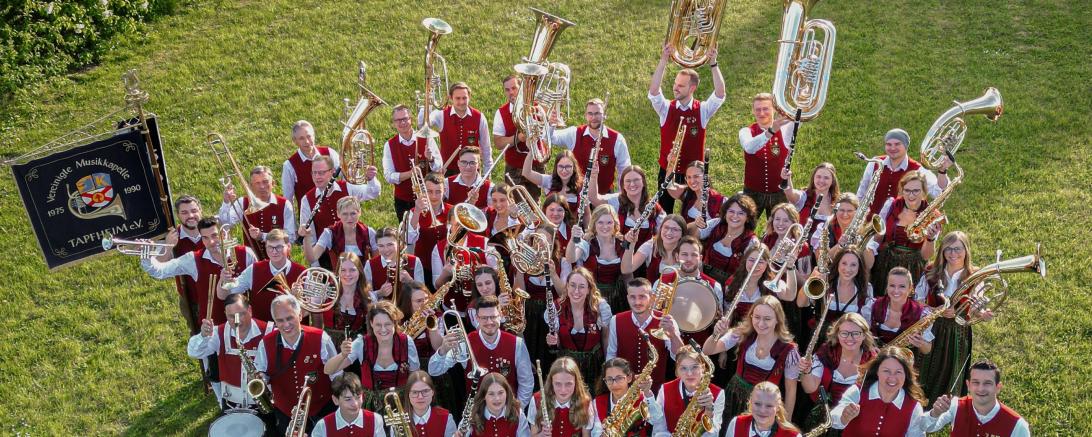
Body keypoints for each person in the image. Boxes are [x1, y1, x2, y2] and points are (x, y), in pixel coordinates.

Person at [648, 43, 726, 213]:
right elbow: (654, 91)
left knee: (696, 211)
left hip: (694, 174)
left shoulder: (702, 109)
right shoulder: (666, 108)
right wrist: (663, 60)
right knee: (664, 210)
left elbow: (720, 94)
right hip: (667, 169)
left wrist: (713, 63)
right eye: (675, 84)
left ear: (692, 88)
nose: (675, 88)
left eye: (681, 85)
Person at [916, 231, 989, 405]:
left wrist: (982, 313)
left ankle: (946, 404)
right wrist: (936, 310)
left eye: (958, 249)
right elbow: (917, 301)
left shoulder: (975, 275)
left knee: (952, 366)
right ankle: (921, 399)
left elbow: (977, 302)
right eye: (948, 249)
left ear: (966, 250)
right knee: (927, 362)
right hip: (932, 327)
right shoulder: (931, 271)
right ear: (942, 251)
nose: (953, 253)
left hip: (958, 330)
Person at [141, 217, 257, 325]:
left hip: (245, 322)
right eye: (205, 238)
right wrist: (146, 256)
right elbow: (159, 271)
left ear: (224, 234)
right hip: (213, 327)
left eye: (215, 235)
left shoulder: (246, 254)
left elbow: (257, 285)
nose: (211, 242)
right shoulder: (193, 259)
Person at [702, 296, 800, 421]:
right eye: (757, 317)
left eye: (767, 319)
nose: (761, 323)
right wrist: (716, 333)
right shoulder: (741, 333)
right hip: (734, 397)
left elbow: (791, 389)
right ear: (751, 316)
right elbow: (708, 350)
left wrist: (787, 421)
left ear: (777, 320)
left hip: (764, 404)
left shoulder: (789, 350)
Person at [254, 294, 339, 435]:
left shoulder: (321, 338)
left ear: (300, 316)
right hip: (285, 413)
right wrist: (261, 378)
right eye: (280, 321)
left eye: (290, 318)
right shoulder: (265, 343)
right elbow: (261, 371)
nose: (286, 325)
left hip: (321, 409)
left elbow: (336, 374)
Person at [429, 295, 534, 407]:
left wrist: (518, 408)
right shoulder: (465, 342)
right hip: (476, 412)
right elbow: (434, 370)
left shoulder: (517, 343)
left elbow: (526, 382)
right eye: (484, 318)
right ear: (477, 318)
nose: (489, 322)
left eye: (493, 317)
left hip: (508, 410)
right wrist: (443, 350)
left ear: (501, 315)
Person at [186, 293, 276, 410]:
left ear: (250, 310)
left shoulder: (270, 331)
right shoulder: (219, 332)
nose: (237, 321)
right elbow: (194, 352)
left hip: (264, 403)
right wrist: (203, 336)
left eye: (241, 314)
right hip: (231, 404)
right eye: (231, 316)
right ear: (225, 315)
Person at [325, 301, 419, 412]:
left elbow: (414, 375)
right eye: (378, 325)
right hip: (370, 407)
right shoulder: (361, 343)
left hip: (400, 405)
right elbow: (328, 370)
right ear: (371, 323)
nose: (383, 329)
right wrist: (342, 355)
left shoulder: (406, 342)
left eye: (388, 324)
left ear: (394, 323)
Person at [797, 313, 879, 435]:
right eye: (844, 333)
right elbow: (810, 388)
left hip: (856, 420)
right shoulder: (826, 353)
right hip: (823, 419)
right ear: (837, 335)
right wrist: (807, 370)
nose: (850, 338)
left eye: (856, 333)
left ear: (863, 336)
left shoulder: (873, 361)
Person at [866, 171, 940, 294]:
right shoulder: (891, 205)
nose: (911, 195)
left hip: (913, 267)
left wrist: (930, 238)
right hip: (885, 262)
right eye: (907, 190)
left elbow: (926, 256)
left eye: (916, 191)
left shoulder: (932, 215)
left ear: (924, 192)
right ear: (902, 190)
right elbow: (878, 236)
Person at [830, 346, 930, 436]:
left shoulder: (913, 406)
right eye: (886, 371)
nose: (892, 377)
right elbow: (834, 418)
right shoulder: (858, 391)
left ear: (906, 375)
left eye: (898, 372)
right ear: (877, 371)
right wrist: (844, 416)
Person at [298, 155, 380, 255]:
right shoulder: (307, 199)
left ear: (332, 172)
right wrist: (316, 265)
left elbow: (372, 193)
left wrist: (371, 179)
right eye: (314, 173)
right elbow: (311, 238)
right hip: (326, 255)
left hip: (356, 252)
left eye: (321, 172)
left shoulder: (347, 187)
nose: (317, 177)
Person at [856, 128, 949, 216]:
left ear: (906, 146)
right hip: (870, 223)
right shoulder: (875, 163)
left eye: (897, 144)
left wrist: (942, 171)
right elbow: (862, 192)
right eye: (889, 144)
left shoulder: (918, 170)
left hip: (899, 228)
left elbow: (938, 193)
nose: (892, 148)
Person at [221, 228, 306, 323]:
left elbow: (309, 312)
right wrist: (223, 280)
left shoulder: (303, 273)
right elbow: (224, 295)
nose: (274, 252)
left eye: (279, 247)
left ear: (288, 247)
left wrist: (296, 299)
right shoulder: (254, 269)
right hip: (262, 332)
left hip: (293, 332)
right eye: (270, 247)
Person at [651, 236, 724, 346]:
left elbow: (717, 323)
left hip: (698, 346)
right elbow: (653, 315)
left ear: (700, 258)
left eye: (694, 255)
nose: (689, 259)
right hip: (666, 344)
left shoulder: (715, 287)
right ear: (677, 256)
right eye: (684, 254)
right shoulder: (661, 282)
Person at [547, 268, 612, 391]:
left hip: (595, 365)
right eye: (572, 285)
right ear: (567, 287)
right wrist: (553, 341)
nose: (576, 291)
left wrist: (608, 365)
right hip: (567, 367)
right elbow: (558, 345)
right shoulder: (556, 308)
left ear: (589, 289)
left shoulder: (600, 307)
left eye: (582, 286)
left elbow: (605, 338)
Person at [925, 360, 1030, 436]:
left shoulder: (1017, 425)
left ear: (998, 387)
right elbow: (927, 428)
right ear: (968, 385)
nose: (981, 388)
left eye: (987, 383)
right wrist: (935, 413)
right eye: (976, 382)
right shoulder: (956, 405)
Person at [548, 98, 632, 193]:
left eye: (597, 113)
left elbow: (624, 169)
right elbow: (551, 138)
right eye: (590, 113)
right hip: (576, 195)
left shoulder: (617, 139)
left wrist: (621, 196)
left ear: (604, 115)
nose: (593, 117)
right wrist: (551, 124)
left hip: (603, 196)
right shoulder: (575, 133)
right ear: (585, 115)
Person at [605, 279, 671, 392]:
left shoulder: (665, 320)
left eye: (642, 297)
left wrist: (673, 334)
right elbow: (611, 355)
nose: (637, 302)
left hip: (656, 391)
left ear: (652, 297)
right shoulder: (616, 320)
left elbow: (677, 356)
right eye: (632, 297)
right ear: (627, 298)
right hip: (624, 390)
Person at [218, 165, 297, 257]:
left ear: (273, 183)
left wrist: (262, 236)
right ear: (250, 186)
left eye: (265, 182)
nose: (262, 186)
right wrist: (226, 203)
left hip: (280, 260)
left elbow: (291, 238)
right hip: (252, 261)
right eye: (257, 183)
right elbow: (225, 225)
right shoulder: (242, 202)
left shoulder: (285, 204)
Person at [739, 93, 795, 220]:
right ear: (753, 111)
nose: (762, 113)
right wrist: (771, 131)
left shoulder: (785, 130)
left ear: (774, 109)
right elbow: (749, 147)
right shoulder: (746, 131)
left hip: (780, 191)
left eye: (766, 109)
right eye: (758, 109)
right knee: (745, 226)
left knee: (780, 229)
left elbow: (799, 117)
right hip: (752, 191)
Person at [382, 104, 443, 220]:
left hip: (429, 198)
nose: (402, 123)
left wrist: (431, 159)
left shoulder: (426, 138)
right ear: (394, 123)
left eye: (405, 119)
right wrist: (410, 173)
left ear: (411, 119)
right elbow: (388, 176)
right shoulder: (389, 145)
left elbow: (439, 165)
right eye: (398, 120)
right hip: (403, 201)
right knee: (406, 235)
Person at [158, 195, 207, 334]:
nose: (191, 216)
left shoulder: (211, 231)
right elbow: (160, 267)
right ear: (178, 215)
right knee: (199, 337)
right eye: (184, 213)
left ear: (200, 210)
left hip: (218, 293)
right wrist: (168, 246)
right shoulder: (173, 236)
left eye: (194, 210)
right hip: (191, 299)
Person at [421, 82, 492, 176]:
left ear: (469, 97)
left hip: (472, 171)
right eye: (458, 98)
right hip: (447, 171)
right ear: (451, 98)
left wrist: (487, 174)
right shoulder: (441, 114)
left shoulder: (479, 117)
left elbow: (486, 148)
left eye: (464, 98)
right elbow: (423, 123)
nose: (462, 102)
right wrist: (428, 103)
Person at [567, 204, 626, 312]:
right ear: (594, 224)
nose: (605, 226)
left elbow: (628, 274)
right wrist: (572, 239)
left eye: (609, 222)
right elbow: (571, 258)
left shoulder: (621, 244)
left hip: (618, 296)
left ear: (615, 224)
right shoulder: (587, 244)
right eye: (600, 222)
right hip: (593, 297)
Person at [589, 165, 663, 252]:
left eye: (636, 180)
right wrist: (593, 176)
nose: (632, 184)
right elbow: (594, 198)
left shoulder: (654, 207)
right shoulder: (617, 200)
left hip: (646, 258)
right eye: (628, 181)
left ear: (643, 182)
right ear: (623, 185)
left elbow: (664, 231)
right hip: (620, 255)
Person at [657, 344, 725, 437]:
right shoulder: (665, 390)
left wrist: (709, 409)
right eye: (683, 368)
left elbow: (714, 434)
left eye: (695, 367)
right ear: (677, 371)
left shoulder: (718, 393)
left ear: (703, 368)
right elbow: (658, 430)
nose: (689, 373)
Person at [493, 74, 544, 199]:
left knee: (534, 203)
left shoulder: (537, 107)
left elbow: (548, 134)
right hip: (514, 168)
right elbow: (498, 143)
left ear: (522, 88)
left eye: (514, 88)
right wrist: (517, 138)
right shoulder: (501, 113)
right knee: (516, 206)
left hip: (535, 165)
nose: (511, 92)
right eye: (507, 90)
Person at [692, 194, 761, 284]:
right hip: (703, 279)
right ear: (725, 213)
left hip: (729, 287)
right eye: (731, 211)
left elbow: (753, 272)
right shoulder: (716, 224)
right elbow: (692, 236)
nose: (735, 216)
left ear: (747, 218)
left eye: (741, 213)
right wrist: (695, 224)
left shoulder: (751, 242)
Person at [864, 267, 935, 356]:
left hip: (903, 363)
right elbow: (863, 334)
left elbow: (927, 350)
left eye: (902, 286)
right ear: (887, 287)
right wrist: (870, 346)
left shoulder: (921, 313)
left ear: (910, 288)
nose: (896, 290)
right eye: (892, 285)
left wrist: (921, 343)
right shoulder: (872, 306)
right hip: (875, 360)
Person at [803, 250, 873, 336]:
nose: (848, 269)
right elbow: (801, 303)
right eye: (844, 263)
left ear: (859, 267)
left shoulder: (866, 288)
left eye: (853, 265)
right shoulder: (826, 281)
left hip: (847, 340)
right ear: (838, 264)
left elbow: (866, 324)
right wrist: (812, 277)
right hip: (821, 338)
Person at [591, 358, 667, 436]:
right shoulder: (597, 402)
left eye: (619, 378)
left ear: (629, 377)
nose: (614, 384)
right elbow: (596, 432)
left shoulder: (642, 398)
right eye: (609, 379)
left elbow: (656, 419)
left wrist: (647, 393)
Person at [527, 356, 600, 437]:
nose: (563, 390)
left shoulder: (585, 403)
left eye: (568, 384)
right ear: (551, 382)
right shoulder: (537, 400)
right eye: (558, 384)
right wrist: (542, 435)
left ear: (576, 382)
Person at [302, 196, 378, 269]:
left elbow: (376, 262)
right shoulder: (329, 233)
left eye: (353, 213)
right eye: (345, 214)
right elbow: (312, 258)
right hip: (339, 279)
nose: (349, 218)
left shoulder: (369, 232)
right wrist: (306, 237)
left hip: (364, 279)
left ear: (359, 213)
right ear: (338, 214)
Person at [282, 120, 342, 207]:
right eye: (301, 138)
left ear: (314, 135)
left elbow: (344, 176)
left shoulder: (329, 152)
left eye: (309, 136)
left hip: (336, 210)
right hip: (310, 215)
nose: (306, 141)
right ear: (295, 141)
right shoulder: (289, 165)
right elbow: (288, 199)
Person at [310, 372, 388, 437]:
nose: (355, 404)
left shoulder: (376, 420)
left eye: (358, 397)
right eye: (348, 399)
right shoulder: (323, 426)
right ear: (335, 400)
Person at [782, 162, 839, 247]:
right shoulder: (805, 196)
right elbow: (790, 194)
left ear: (832, 181)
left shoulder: (837, 202)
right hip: (802, 249)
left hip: (825, 250)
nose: (821, 181)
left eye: (826, 178)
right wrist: (787, 178)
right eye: (818, 177)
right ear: (813, 178)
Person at [461, 372, 531, 437]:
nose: (497, 398)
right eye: (491, 394)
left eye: (500, 393)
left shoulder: (518, 413)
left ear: (507, 393)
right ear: (484, 396)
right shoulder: (471, 415)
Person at [363, 227, 424, 301]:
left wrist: (410, 281)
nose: (386, 250)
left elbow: (423, 293)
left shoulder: (414, 261)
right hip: (383, 310)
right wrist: (380, 293)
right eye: (381, 246)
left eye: (390, 244)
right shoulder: (370, 264)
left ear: (399, 244)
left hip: (409, 309)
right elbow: (366, 296)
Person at [622, 214, 686, 283]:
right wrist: (631, 243)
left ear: (682, 233)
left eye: (675, 229)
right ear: (661, 229)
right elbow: (626, 270)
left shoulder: (688, 249)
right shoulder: (650, 245)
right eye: (666, 227)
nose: (669, 232)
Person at [724, 381, 801, 437]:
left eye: (769, 406)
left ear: (778, 407)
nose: (762, 410)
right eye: (757, 404)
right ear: (750, 402)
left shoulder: (792, 435)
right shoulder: (736, 423)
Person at [523, 149, 584, 216]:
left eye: (568, 167)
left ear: (574, 167)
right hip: (549, 225)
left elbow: (586, 215)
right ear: (556, 167)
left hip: (571, 226)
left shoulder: (581, 186)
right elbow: (526, 173)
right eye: (560, 166)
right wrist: (532, 150)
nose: (564, 170)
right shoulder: (549, 180)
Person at [326, 252, 372, 341]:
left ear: (359, 271)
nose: (347, 274)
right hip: (330, 348)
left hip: (357, 348)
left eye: (352, 270)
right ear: (338, 271)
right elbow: (303, 313)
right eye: (343, 270)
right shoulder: (327, 293)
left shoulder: (368, 297)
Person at [667, 160, 725, 226]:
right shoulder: (688, 193)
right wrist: (671, 164)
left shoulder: (719, 200)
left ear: (705, 177)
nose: (692, 181)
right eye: (689, 177)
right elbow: (669, 185)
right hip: (687, 235)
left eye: (696, 176)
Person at [403, 370, 458, 436]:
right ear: (408, 394)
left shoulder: (446, 418)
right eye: (415, 392)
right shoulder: (400, 421)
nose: (420, 397)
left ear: (432, 392)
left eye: (425, 391)